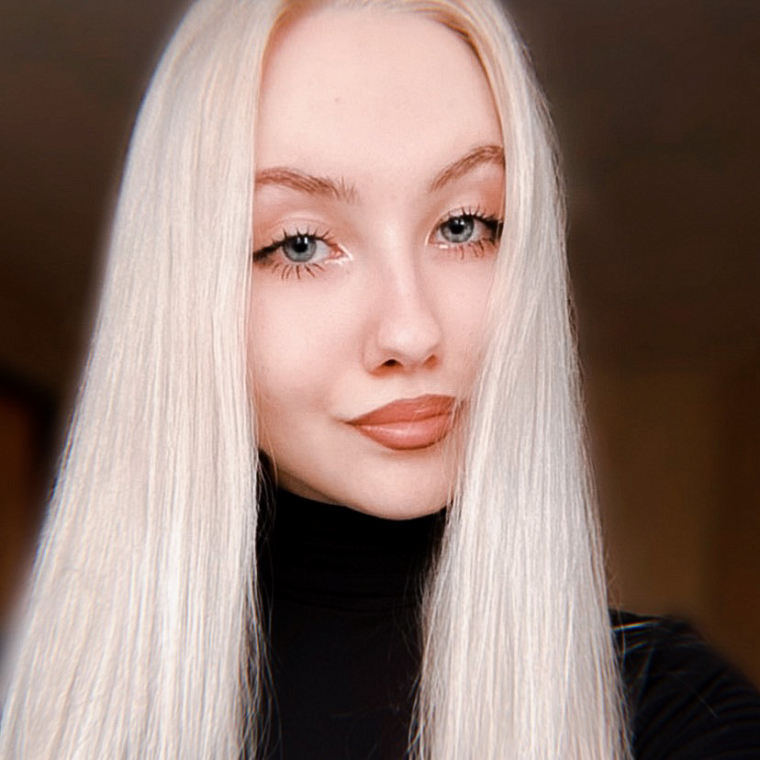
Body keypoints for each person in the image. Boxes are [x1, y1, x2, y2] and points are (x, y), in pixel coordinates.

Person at [1, 0, 759, 758]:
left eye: (464, 225)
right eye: (300, 243)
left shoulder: (667, 710)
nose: (411, 331)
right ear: (182, 295)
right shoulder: (42, 712)